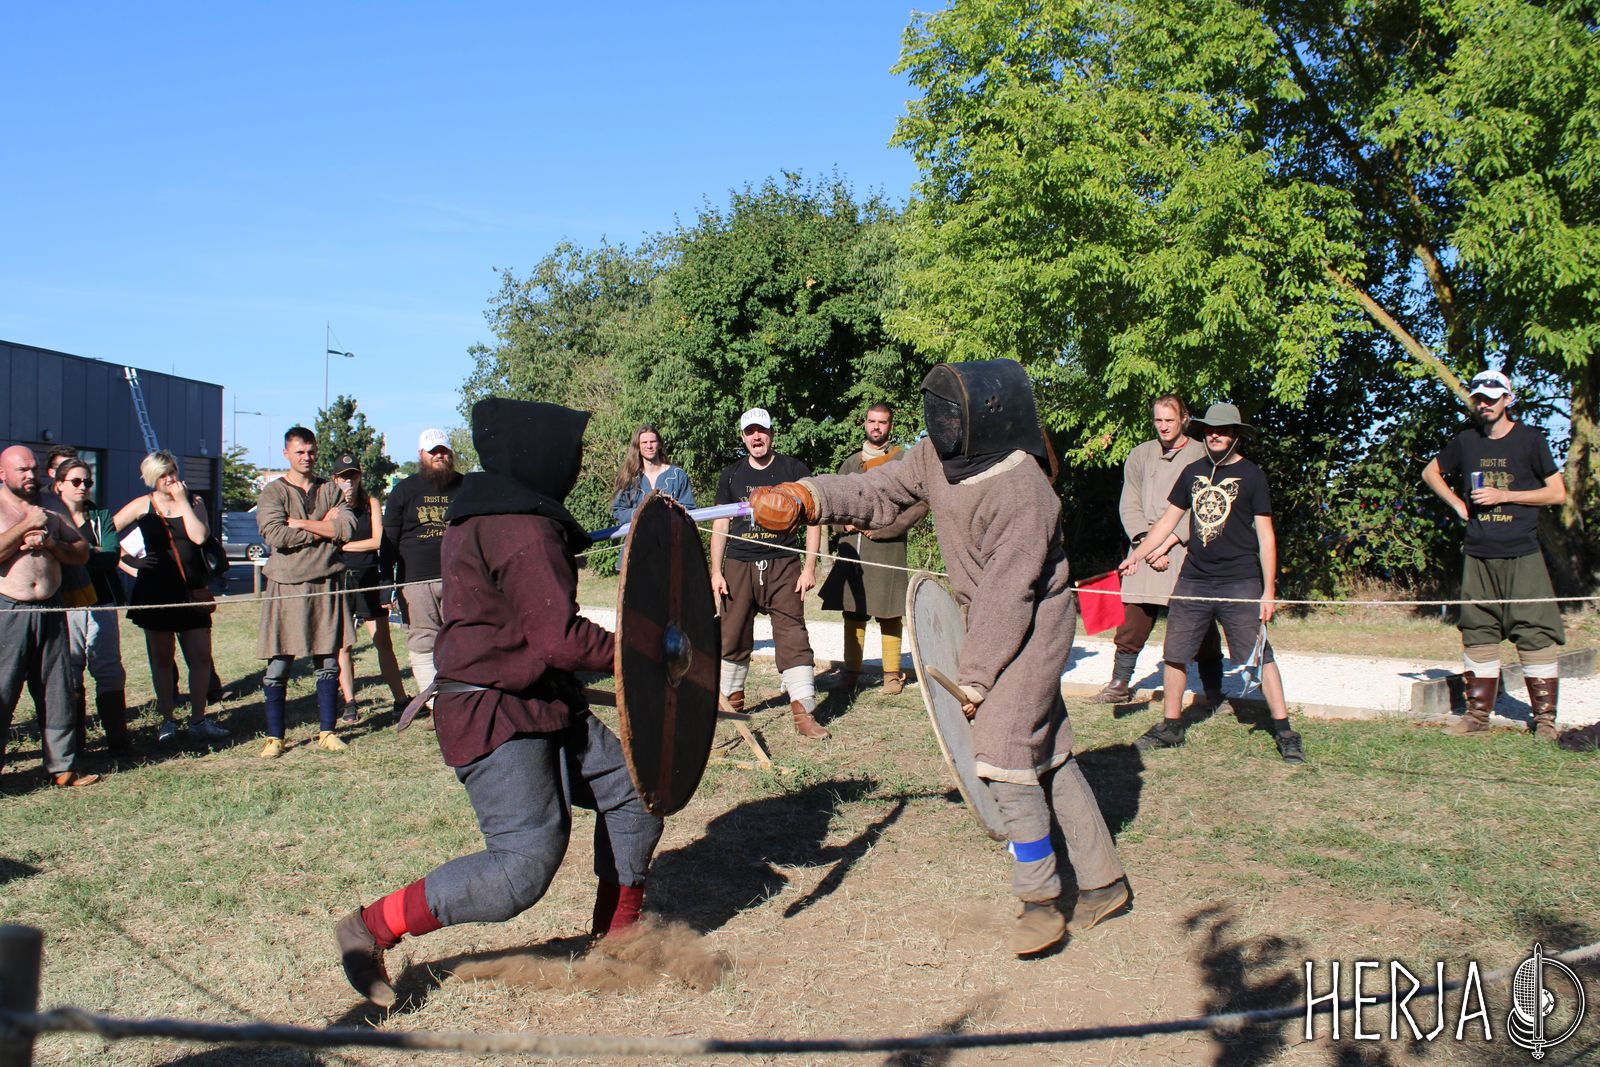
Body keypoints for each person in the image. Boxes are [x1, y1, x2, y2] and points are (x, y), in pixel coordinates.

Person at [747, 361, 1130, 956]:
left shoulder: (1023, 489)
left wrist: (973, 681)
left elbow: (1009, 596)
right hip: (987, 618)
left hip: (1033, 623)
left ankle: (1039, 898)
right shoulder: (933, 457)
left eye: (951, 414)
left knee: (1003, 751)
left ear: (985, 417)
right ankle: (1104, 883)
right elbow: (879, 492)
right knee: (1048, 751)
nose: (940, 423)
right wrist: (807, 496)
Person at [334, 397, 664, 1006]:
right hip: (496, 711)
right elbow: (559, 639)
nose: (576, 461)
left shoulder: (492, 513)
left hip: (539, 698)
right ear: (539, 455)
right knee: (522, 867)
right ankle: (369, 928)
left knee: (633, 792)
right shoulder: (518, 526)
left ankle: (619, 943)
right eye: (571, 452)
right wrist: (644, 652)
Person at [1117, 403, 1305, 763]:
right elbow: (1167, 522)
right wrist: (1137, 555)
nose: (1215, 435)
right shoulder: (1192, 472)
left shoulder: (1252, 476)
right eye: (1209, 430)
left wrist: (1269, 591)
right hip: (1194, 579)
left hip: (1240, 581)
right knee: (1174, 654)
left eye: (1222, 430)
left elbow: (1266, 536)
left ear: (1235, 435)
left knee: (1259, 656)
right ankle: (1171, 727)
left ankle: (1284, 730)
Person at [1421, 369, 1567, 739]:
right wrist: (1457, 504)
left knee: (1536, 633)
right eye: (1479, 398)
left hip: (1522, 552)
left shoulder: (1530, 440)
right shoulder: (1467, 441)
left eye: (1491, 397)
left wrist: (1505, 496)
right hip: (1478, 552)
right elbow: (1430, 472)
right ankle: (1477, 718)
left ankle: (1545, 722)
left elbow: (1556, 493)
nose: (1484, 403)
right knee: (1477, 631)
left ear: (1507, 399)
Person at [1092, 396, 1224, 707]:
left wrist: (1170, 542)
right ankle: (1119, 683)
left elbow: (1206, 507)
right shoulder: (1140, 454)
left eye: (1170, 420)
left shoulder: (1201, 454)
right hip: (1143, 547)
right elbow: (1129, 501)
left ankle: (1215, 692)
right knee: (1133, 618)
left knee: (1199, 621)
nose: (1163, 426)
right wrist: (1144, 542)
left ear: (1184, 419)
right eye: (1158, 420)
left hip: (1184, 548)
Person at [710, 408, 828, 739]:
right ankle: (730, 705)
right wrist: (715, 572)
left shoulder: (794, 470)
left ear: (772, 434)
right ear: (743, 437)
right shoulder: (731, 475)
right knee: (731, 635)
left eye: (761, 431)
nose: (756, 437)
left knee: (793, 635)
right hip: (739, 565)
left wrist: (809, 567)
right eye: (750, 432)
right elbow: (720, 523)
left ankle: (804, 712)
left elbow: (814, 519)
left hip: (783, 564)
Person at [0, 445, 99, 787]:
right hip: (9, 609)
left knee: (57, 689)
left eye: (33, 469)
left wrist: (52, 543)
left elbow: (81, 552)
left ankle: (62, 767)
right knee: (3, 689)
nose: (30, 475)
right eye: (22, 470)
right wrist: (25, 527)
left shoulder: (52, 505)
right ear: (2, 474)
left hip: (52, 606)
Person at [115, 450, 228, 744]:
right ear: (152, 478)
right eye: (162, 475)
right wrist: (131, 563)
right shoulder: (143, 504)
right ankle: (168, 720)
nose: (169, 479)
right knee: (162, 658)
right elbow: (106, 533)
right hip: (156, 591)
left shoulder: (194, 502)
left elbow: (199, 536)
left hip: (191, 590)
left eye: (172, 472)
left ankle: (198, 719)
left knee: (200, 657)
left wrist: (182, 502)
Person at [255, 427, 356, 758]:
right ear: (286, 453)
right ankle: (275, 737)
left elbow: (347, 528)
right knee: (279, 664)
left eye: (311, 451)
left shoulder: (330, 489)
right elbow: (276, 534)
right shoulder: (273, 492)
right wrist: (323, 529)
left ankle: (327, 731)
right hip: (286, 586)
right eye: (299, 452)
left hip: (326, 583)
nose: (306, 457)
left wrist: (300, 523)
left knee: (328, 662)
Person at [816, 403, 927, 696]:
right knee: (853, 612)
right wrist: (842, 525)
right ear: (865, 424)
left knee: (890, 612)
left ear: (890, 426)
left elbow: (920, 503)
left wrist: (888, 529)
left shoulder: (903, 460)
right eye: (872, 421)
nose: (876, 427)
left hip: (887, 547)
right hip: (852, 549)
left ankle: (892, 674)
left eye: (882, 422)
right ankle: (851, 673)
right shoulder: (850, 463)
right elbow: (833, 499)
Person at [382, 428, 463, 719]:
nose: (439, 455)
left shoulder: (465, 486)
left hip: (460, 578)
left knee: (461, 639)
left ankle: (463, 703)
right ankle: (438, 709)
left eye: (444, 450)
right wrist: (385, 584)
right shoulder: (404, 490)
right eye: (433, 451)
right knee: (423, 643)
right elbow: (389, 540)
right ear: (421, 455)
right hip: (416, 581)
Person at [54, 459, 131, 755]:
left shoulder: (100, 516)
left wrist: (71, 552)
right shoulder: (51, 517)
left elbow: (111, 556)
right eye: (76, 481)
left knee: (109, 667)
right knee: (70, 668)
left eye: (87, 481)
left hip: (102, 600)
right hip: (65, 603)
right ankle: (75, 743)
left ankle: (118, 741)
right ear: (59, 484)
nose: (83, 487)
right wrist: (89, 551)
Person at [332, 453, 409, 725]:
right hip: (341, 579)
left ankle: (400, 699)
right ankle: (349, 703)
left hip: (368, 577)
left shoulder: (370, 503)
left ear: (359, 476)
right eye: (343, 476)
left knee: (382, 642)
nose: (349, 481)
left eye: (353, 475)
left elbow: (377, 541)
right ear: (335, 479)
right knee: (343, 646)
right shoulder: (331, 507)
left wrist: (342, 545)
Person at [610, 425, 695, 527]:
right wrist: (642, 513)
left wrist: (670, 512)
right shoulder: (629, 477)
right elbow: (618, 511)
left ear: (659, 444)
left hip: (672, 534)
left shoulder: (678, 476)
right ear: (638, 446)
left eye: (653, 442)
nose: (649, 446)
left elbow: (689, 509)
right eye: (644, 442)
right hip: (640, 535)